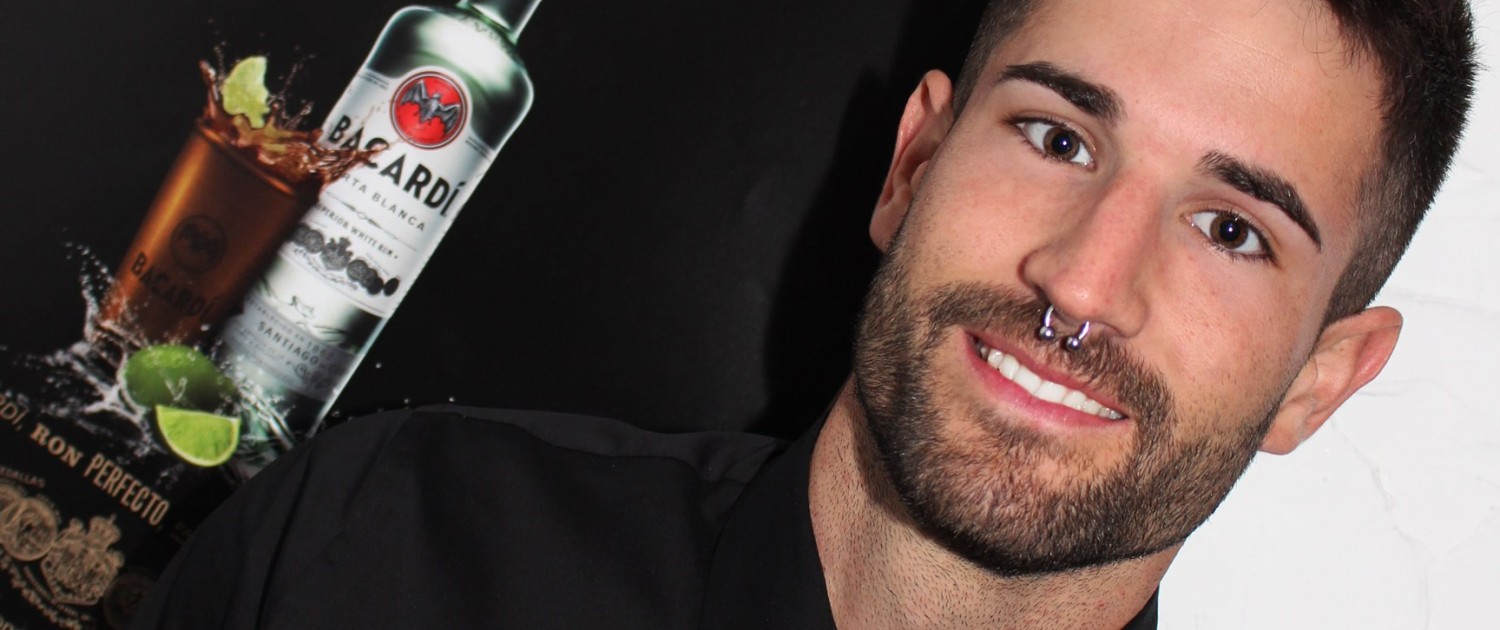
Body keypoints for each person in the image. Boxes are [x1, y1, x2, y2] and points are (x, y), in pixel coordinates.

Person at [131, 0, 1477, 628]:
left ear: (1323, 379)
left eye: (1232, 229)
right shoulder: (376, 542)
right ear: (911, 166)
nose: (1083, 282)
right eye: (1058, 138)